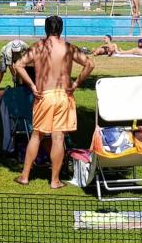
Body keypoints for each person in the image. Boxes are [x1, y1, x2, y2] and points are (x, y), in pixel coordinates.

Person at [13, 15, 94, 189]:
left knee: (37, 135)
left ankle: (25, 176)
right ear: (61, 29)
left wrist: (32, 85)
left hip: (44, 95)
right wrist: (76, 83)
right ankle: (55, 180)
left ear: (46, 29)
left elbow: (18, 65)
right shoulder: (68, 48)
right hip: (63, 95)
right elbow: (89, 64)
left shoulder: (38, 47)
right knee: (58, 138)